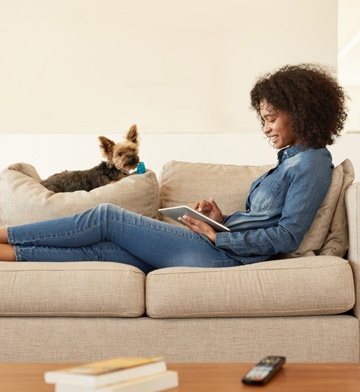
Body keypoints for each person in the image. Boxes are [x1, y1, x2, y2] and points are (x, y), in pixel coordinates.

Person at [0, 64, 348, 273]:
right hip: (221, 244)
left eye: (271, 118)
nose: (266, 128)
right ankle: (8, 253)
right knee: (106, 251)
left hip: (226, 256)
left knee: (106, 217)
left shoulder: (313, 161)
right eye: (264, 119)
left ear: (300, 112)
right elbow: (264, 219)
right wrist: (221, 219)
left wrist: (217, 236)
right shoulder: (290, 159)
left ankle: (5, 234)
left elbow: (287, 236)